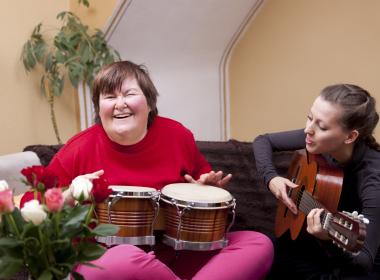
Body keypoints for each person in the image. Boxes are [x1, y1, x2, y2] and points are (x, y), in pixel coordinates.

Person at [23, 61, 273, 279]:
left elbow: (201, 179)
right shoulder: (79, 148)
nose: (119, 104)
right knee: (121, 259)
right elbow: (28, 205)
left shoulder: (177, 135)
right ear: (99, 108)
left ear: (149, 103)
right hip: (108, 261)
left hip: (175, 256)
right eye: (109, 97)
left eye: (129, 93)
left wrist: (205, 188)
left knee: (258, 244)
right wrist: (66, 197)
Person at [253, 84, 380, 279]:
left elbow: (363, 263)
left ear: (351, 136)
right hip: (317, 249)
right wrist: (272, 179)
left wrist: (328, 239)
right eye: (310, 118)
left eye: (321, 126)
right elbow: (263, 141)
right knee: (262, 252)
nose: (307, 130)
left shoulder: (373, 180)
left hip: (355, 261)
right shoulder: (317, 139)